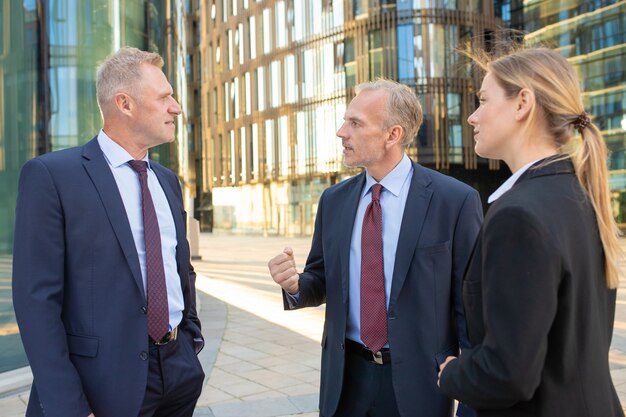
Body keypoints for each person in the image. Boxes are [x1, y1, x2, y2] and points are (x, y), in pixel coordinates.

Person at [268, 79, 483, 417]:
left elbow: (472, 315)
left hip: (420, 387)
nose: (342, 132)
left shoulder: (454, 201)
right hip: (345, 381)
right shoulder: (334, 201)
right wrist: (296, 284)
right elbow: (320, 277)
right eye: (345, 121)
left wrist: (471, 405)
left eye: (355, 123)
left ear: (392, 135)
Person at [12, 47, 205, 417]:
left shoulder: (167, 181)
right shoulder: (52, 177)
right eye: (164, 97)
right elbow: (36, 303)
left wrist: (190, 336)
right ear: (125, 104)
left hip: (179, 373)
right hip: (100, 386)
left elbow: (179, 268)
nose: (176, 108)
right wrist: (68, 406)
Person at [437, 47, 624, 416]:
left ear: (522, 103)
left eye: (484, 100)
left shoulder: (518, 216)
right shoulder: (581, 195)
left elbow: (507, 373)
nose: (473, 117)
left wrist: (452, 373)